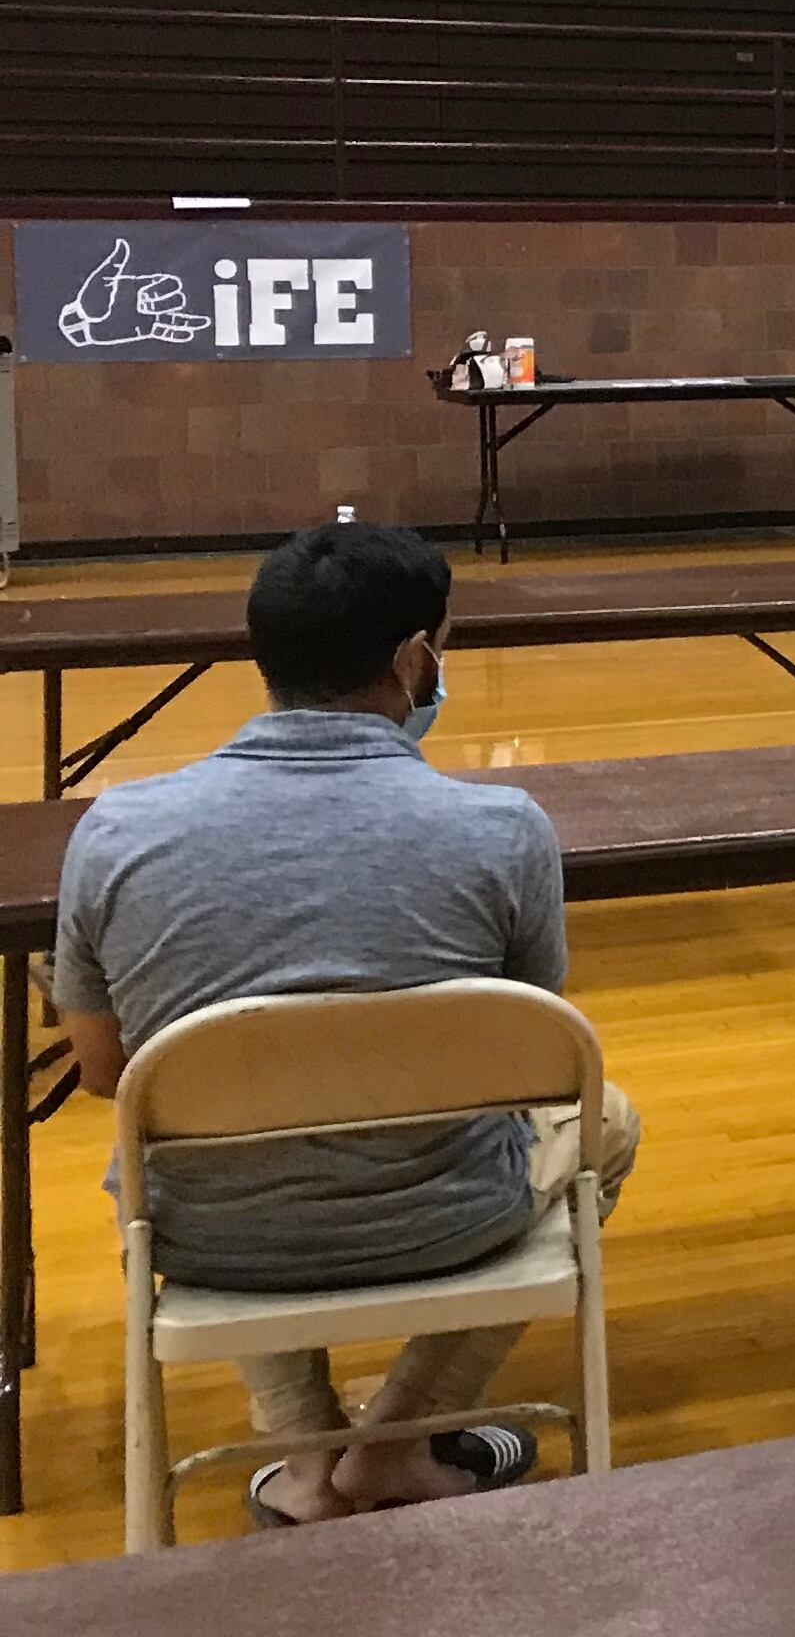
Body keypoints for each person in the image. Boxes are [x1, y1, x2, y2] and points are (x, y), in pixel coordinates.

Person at [52, 520, 635, 1526]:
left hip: (202, 1241)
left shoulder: (116, 831)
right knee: (605, 1117)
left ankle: (308, 1457)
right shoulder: (504, 831)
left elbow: (105, 1070)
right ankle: (402, 1439)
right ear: (416, 659)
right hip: (450, 1222)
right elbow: (535, 1064)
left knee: (185, 1140)